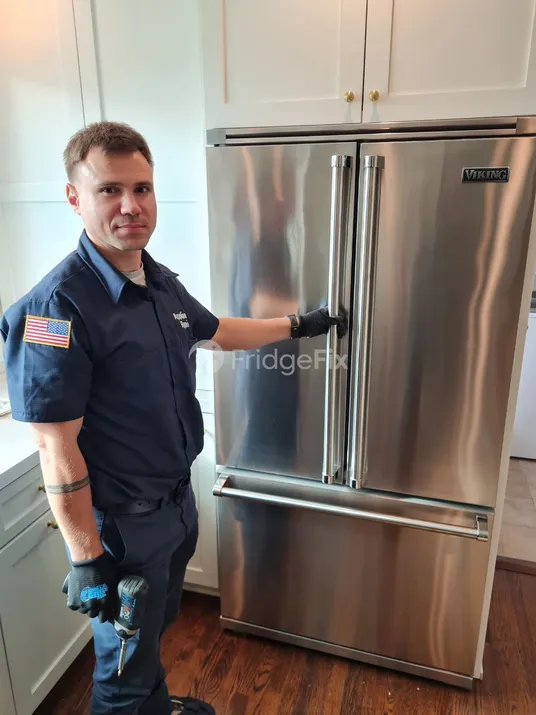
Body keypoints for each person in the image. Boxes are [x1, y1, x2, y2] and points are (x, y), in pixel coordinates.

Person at [0, 121, 347, 715]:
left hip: (174, 505)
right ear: (74, 197)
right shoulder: (54, 309)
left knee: (153, 636)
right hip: (121, 528)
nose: (130, 206)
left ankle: (158, 707)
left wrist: (299, 325)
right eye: (109, 190)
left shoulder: (155, 280)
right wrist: (86, 559)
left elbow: (219, 333)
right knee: (121, 672)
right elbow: (56, 448)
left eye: (142, 188)